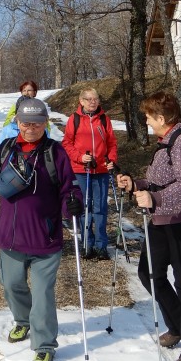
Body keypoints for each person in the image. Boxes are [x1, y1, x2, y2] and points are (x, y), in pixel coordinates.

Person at [0, 97, 82, 361]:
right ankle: (22, 321)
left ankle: (43, 345)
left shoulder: (55, 153)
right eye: (26, 122)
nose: (31, 128)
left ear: (45, 124)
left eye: (38, 123)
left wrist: (73, 205)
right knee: (11, 285)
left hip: (45, 238)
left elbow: (69, 189)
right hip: (10, 237)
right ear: (17, 123)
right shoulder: (6, 149)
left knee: (42, 294)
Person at [116, 91, 181, 361]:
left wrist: (154, 200)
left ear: (161, 117)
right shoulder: (166, 143)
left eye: (148, 115)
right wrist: (136, 184)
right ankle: (180, 326)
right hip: (163, 220)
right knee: (150, 273)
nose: (145, 120)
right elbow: (161, 180)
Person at [62, 88, 117, 260]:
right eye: (88, 99)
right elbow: (67, 143)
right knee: (85, 207)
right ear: (81, 101)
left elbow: (112, 143)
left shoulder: (104, 119)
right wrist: (80, 157)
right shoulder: (75, 119)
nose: (92, 102)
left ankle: (101, 246)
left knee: (100, 208)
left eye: (95, 98)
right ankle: (87, 244)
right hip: (81, 170)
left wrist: (111, 160)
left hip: (100, 169)